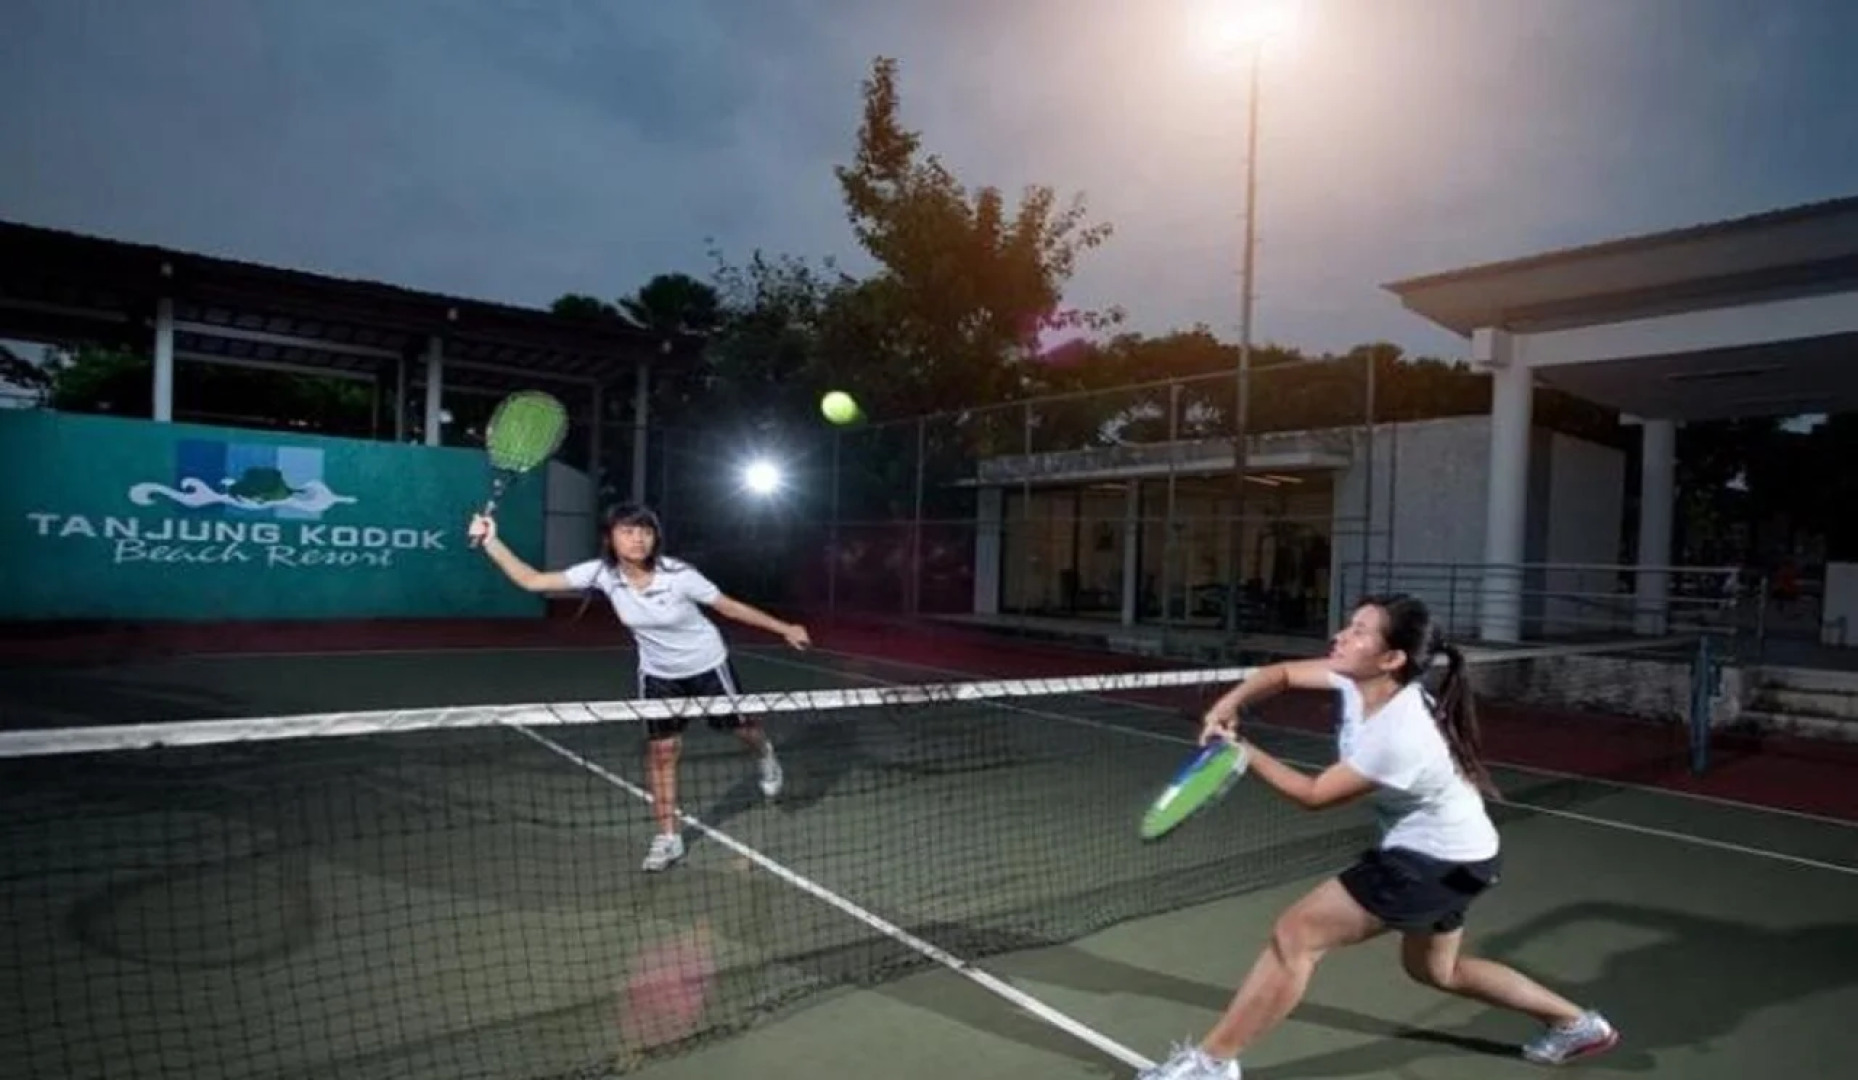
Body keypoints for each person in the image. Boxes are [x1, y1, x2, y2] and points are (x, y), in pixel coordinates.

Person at [1138, 594, 1618, 1079]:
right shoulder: (1357, 682)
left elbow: (1314, 795)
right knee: (1437, 972)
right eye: (1349, 625)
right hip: (1467, 856)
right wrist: (1229, 703)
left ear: (1391, 660)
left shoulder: (1402, 732)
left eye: (1360, 631)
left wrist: (1237, 751)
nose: (1342, 636)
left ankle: (1211, 1064)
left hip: (1432, 861)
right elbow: (1281, 674)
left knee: (1296, 934)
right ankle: (1576, 1024)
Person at [469, 502, 811, 872]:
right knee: (662, 752)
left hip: (707, 665)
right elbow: (533, 580)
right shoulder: (602, 573)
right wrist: (492, 541)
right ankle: (669, 837)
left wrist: (784, 628)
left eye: (645, 532)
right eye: (628, 531)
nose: (637, 539)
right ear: (610, 538)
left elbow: (729, 608)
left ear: (655, 539)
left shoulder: (679, 575)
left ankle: (765, 755)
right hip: (658, 674)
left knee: (743, 729)